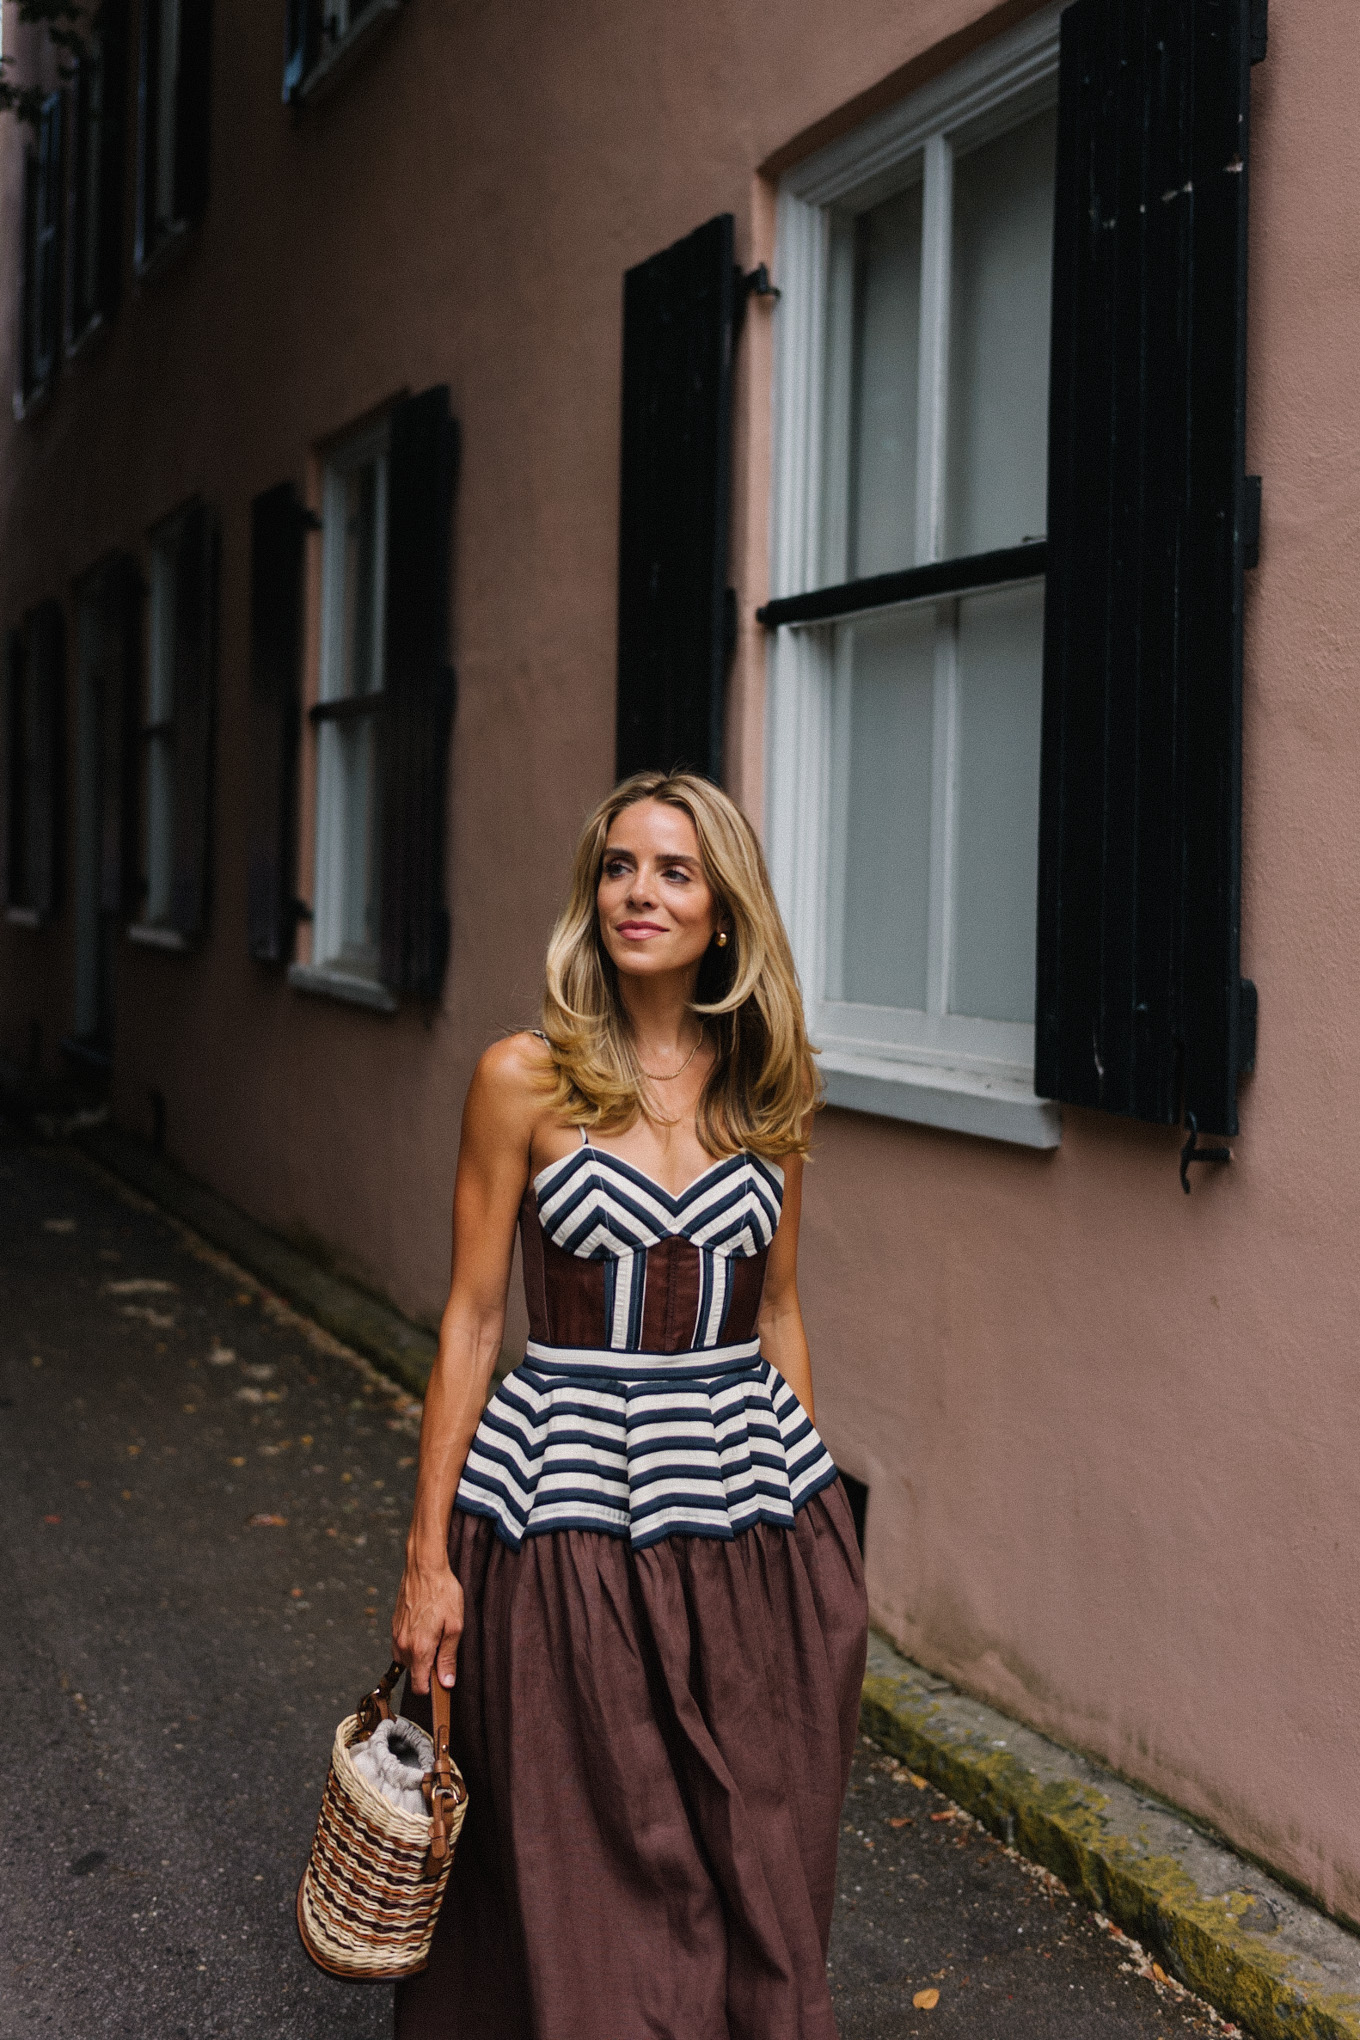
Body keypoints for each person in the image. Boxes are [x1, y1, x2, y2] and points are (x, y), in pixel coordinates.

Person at [391, 770, 868, 2040]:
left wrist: (808, 1529)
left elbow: (776, 1314)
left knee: (749, 1840)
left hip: (744, 1518)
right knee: (593, 1845)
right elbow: (474, 1322)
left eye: (672, 869)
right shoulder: (523, 1079)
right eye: (617, 867)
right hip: (562, 1518)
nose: (638, 892)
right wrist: (427, 1558)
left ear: (724, 910)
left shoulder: (771, 1086)